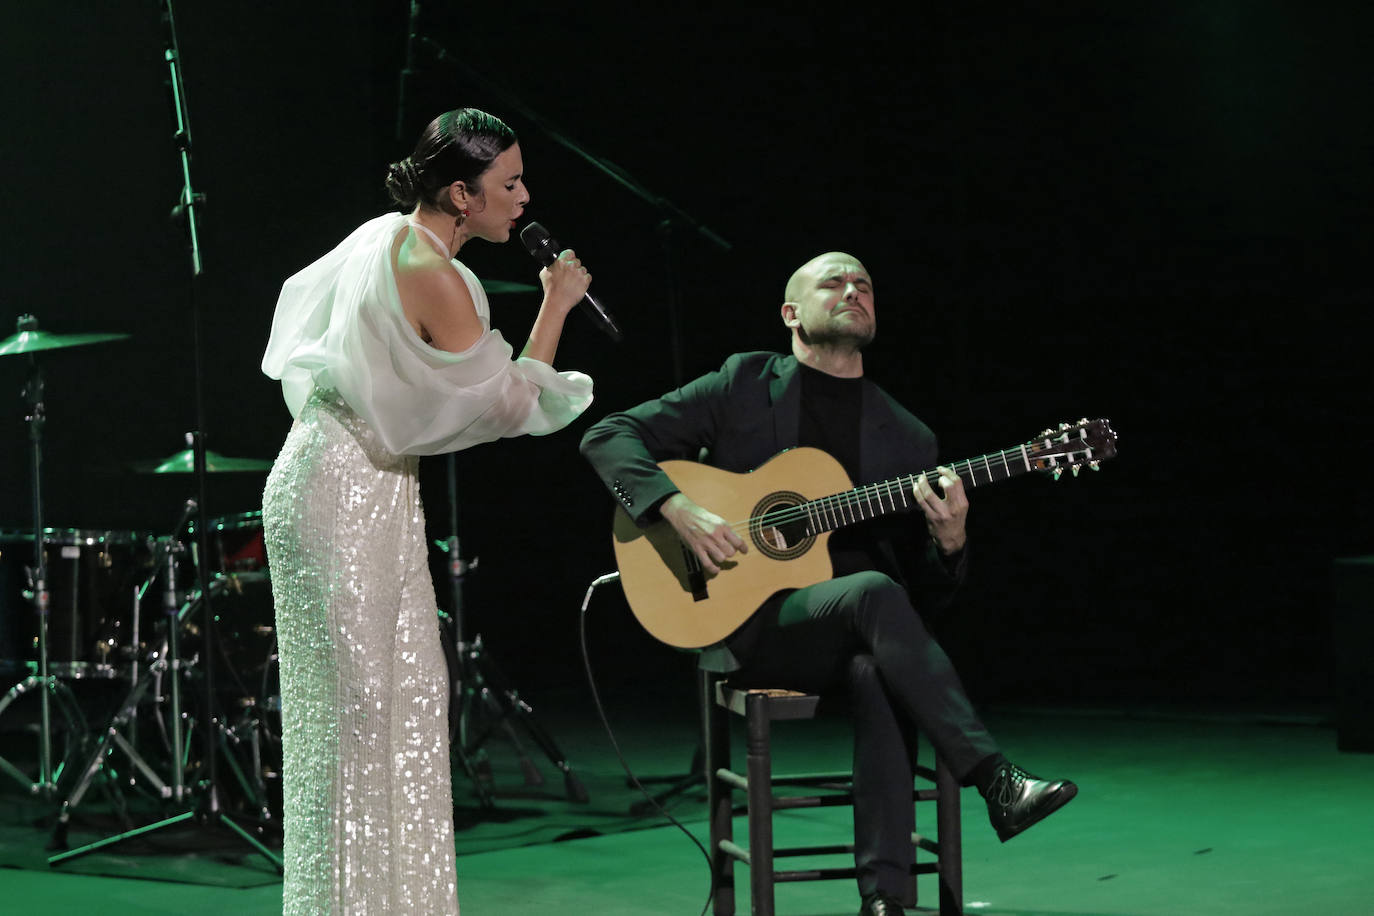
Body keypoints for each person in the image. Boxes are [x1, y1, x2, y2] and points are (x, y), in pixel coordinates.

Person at [579, 251, 1076, 916]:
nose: (852, 290)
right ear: (791, 313)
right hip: (748, 622)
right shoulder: (743, 382)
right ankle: (996, 780)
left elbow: (922, 604)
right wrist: (676, 506)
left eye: (864, 284)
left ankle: (884, 898)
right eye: (834, 282)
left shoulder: (908, 437)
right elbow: (608, 435)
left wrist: (951, 541)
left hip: (854, 632)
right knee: (871, 594)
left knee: (879, 661)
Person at [260, 108, 594, 916]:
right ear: (461, 195)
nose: (524, 197)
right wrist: (556, 304)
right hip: (340, 489)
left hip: (374, 485)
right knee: (356, 719)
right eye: (509, 183)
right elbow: (511, 405)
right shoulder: (429, 271)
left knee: (412, 697)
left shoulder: (388, 236)